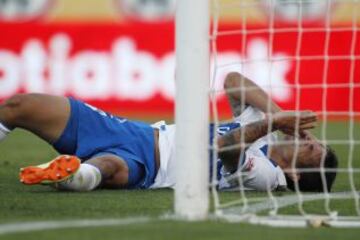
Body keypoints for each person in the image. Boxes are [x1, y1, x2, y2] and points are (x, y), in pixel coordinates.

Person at [0, 72, 337, 192]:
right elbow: (233, 81)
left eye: (311, 149)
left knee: (104, 170)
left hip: (150, 168)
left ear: (293, 174)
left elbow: (225, 147)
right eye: (312, 138)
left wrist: (274, 124)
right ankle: (69, 171)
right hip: (137, 132)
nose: (307, 140)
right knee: (19, 106)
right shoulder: (267, 130)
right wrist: (281, 115)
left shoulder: (267, 177)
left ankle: (72, 174)